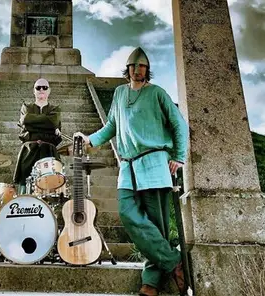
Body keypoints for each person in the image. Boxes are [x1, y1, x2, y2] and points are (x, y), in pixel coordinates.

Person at [74, 47, 189, 296]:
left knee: (156, 225)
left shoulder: (157, 93)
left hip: (154, 162)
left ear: (148, 70)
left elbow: (179, 124)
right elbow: (112, 125)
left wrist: (179, 157)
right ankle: (174, 261)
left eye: (142, 66)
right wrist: (91, 140)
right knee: (127, 213)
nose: (137, 70)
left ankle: (151, 283)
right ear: (127, 69)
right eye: (133, 66)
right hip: (128, 166)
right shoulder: (119, 93)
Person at [13, 78, 63, 194]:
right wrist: (48, 125)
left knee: (50, 189)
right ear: (34, 91)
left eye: (44, 87)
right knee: (25, 189)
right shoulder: (26, 107)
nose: (41, 90)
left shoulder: (55, 109)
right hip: (29, 151)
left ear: (49, 91)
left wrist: (32, 122)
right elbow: (25, 121)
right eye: (38, 87)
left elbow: (53, 122)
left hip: (49, 151)